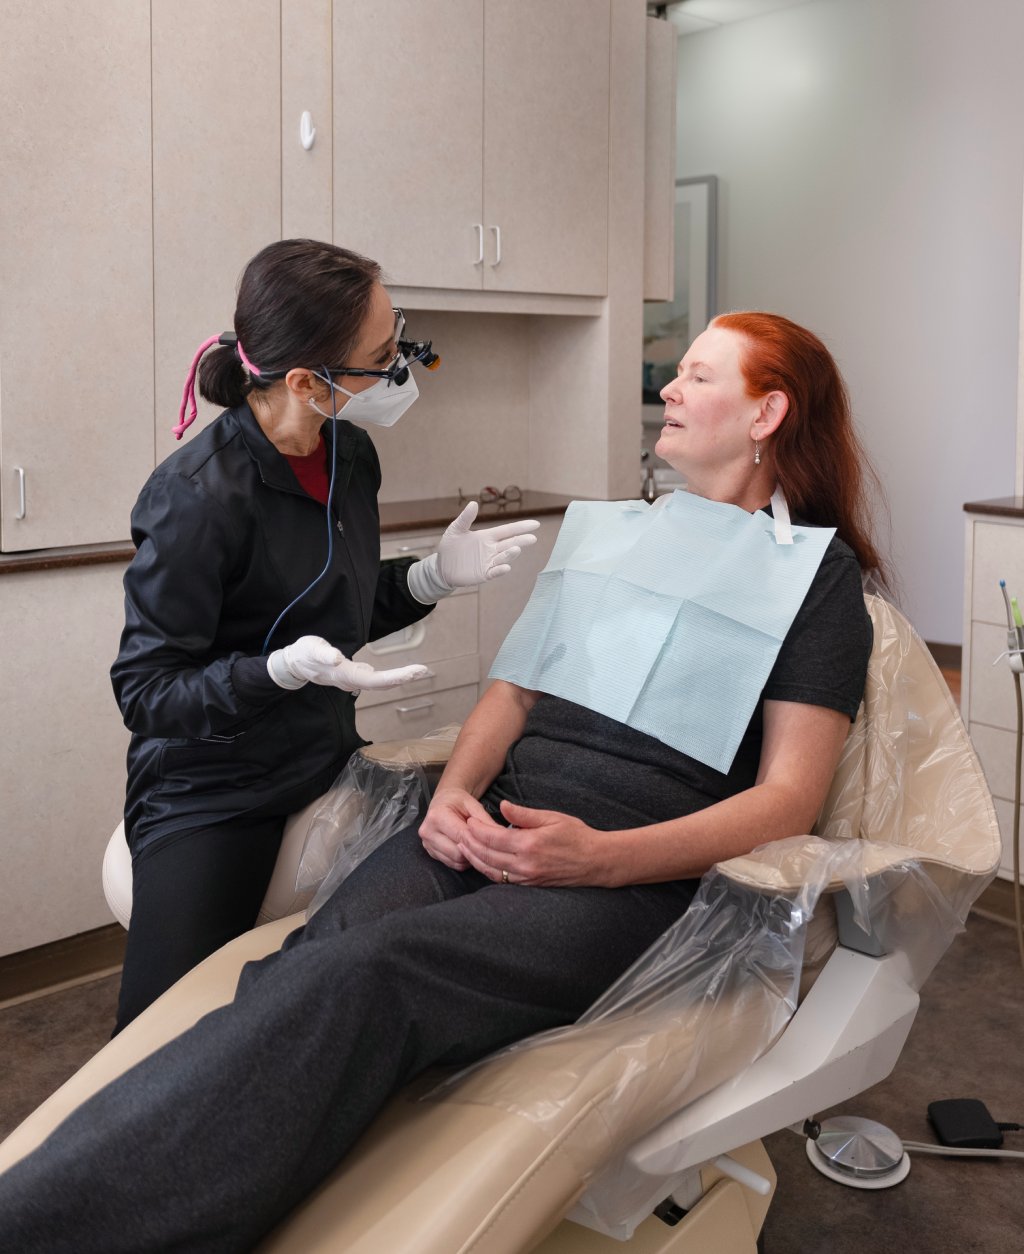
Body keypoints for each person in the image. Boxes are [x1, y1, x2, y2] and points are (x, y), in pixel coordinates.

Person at [0, 312, 884, 1251]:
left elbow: (788, 799)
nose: (667, 386)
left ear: (766, 414)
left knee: (371, 975)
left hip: (628, 878)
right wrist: (455, 794)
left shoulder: (813, 581)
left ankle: (41, 1224)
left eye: (699, 376)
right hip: (482, 823)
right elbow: (510, 693)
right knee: (305, 960)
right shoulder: (618, 537)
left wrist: (601, 858)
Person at [109, 238, 540, 1031]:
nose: (400, 369)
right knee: (163, 1033)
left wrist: (427, 579)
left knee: (353, 978)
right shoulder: (195, 497)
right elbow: (147, 691)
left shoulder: (351, 454)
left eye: (397, 339)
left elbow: (340, 609)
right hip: (214, 789)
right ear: (307, 381)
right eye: (380, 358)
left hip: (325, 754)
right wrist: (273, 671)